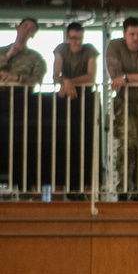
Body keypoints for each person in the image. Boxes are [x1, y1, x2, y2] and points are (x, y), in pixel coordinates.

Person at [105, 17, 138, 199]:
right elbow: (115, 78)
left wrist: (127, 78)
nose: (135, 38)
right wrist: (135, 78)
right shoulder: (114, 45)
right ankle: (123, 189)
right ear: (124, 34)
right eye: (132, 34)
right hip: (124, 101)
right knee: (127, 143)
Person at [53, 22, 99, 197]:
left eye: (79, 38)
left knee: (85, 143)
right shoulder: (61, 49)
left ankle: (82, 186)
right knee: (65, 142)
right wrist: (66, 82)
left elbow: (90, 76)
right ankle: (67, 186)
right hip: (66, 98)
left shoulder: (90, 50)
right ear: (67, 38)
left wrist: (69, 81)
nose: (76, 42)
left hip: (85, 98)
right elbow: (56, 73)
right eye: (73, 38)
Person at [0, 18, 46, 89]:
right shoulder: (1, 51)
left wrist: (17, 78)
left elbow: (38, 78)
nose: (26, 30)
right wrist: (8, 55)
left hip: (22, 95)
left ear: (33, 34)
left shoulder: (36, 58)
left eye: (31, 29)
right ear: (18, 27)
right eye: (25, 26)